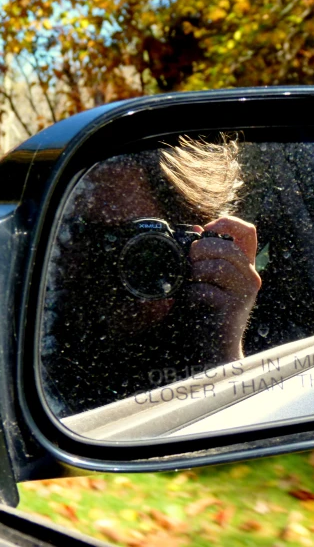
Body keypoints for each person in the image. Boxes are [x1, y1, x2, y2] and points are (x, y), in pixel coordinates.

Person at [40, 136, 261, 417]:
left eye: (144, 249)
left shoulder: (207, 324)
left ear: (188, 249)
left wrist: (224, 344)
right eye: (86, 237)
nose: (112, 265)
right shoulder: (46, 329)